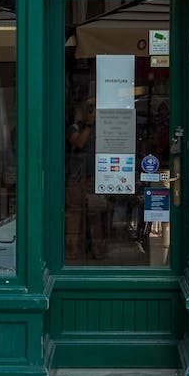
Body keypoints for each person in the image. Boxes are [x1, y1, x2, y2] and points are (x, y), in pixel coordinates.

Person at [65, 98, 108, 260]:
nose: (92, 111)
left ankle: (98, 250)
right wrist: (89, 125)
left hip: (96, 177)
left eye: (95, 108)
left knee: (95, 214)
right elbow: (79, 143)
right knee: (75, 214)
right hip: (77, 177)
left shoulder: (102, 128)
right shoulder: (74, 127)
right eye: (89, 108)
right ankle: (72, 250)